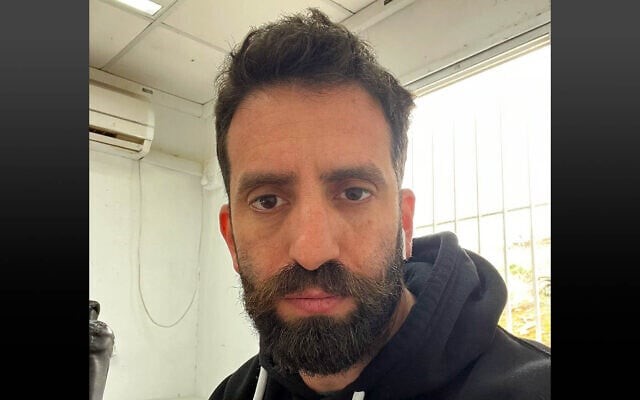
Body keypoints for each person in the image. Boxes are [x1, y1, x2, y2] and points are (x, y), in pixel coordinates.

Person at [210, 8, 550, 400]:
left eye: (354, 193)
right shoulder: (232, 393)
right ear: (231, 239)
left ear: (404, 222)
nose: (312, 251)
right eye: (268, 201)